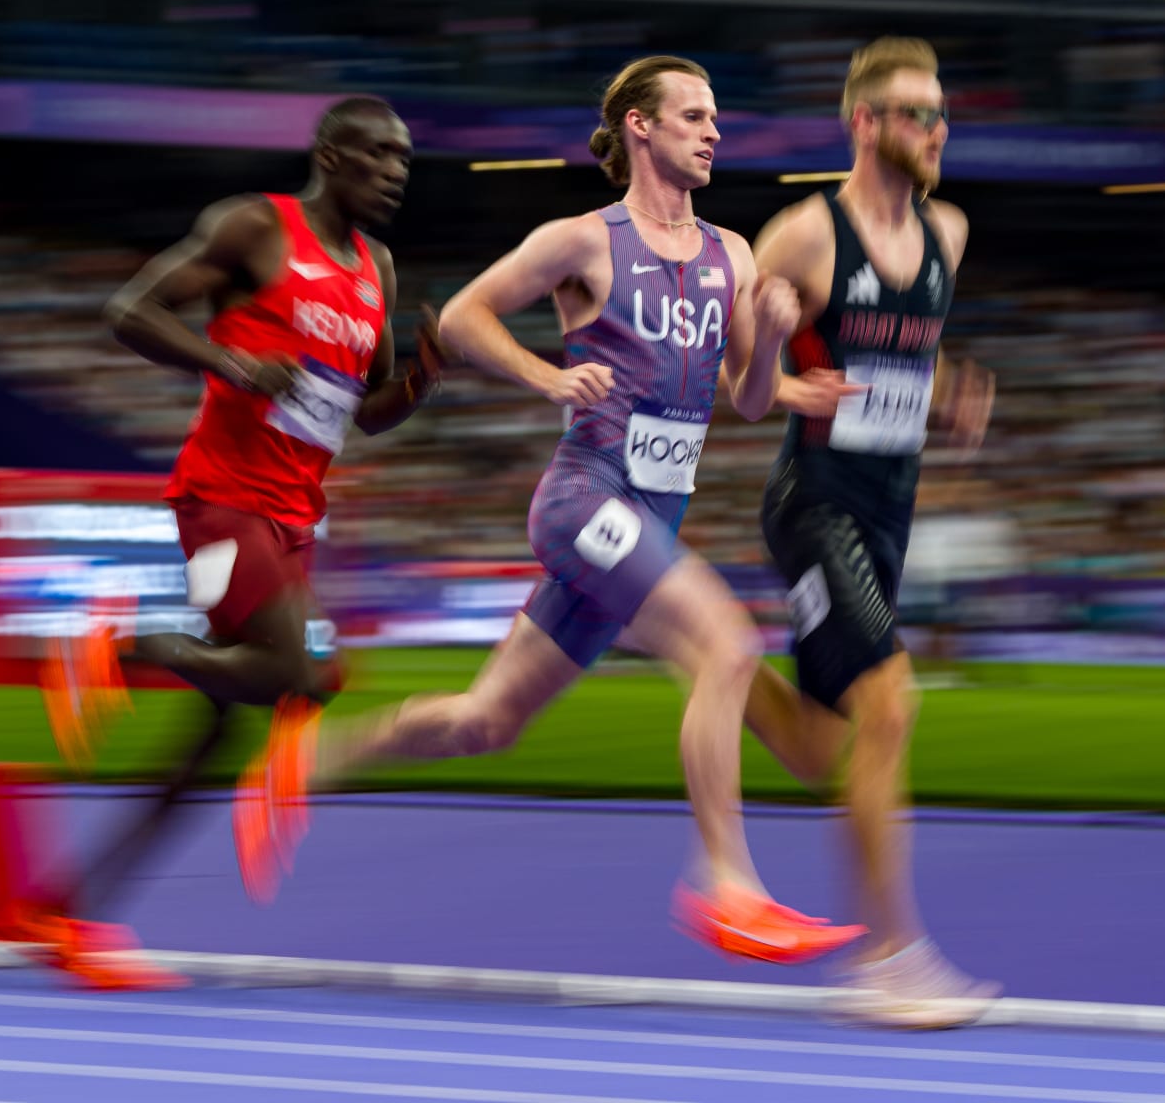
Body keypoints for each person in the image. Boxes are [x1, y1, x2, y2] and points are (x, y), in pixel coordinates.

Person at [251, 57, 867, 965]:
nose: (714, 132)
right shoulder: (583, 241)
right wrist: (547, 375)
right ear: (640, 129)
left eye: (716, 118)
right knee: (728, 647)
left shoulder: (732, 254)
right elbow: (463, 316)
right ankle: (727, 887)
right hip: (585, 501)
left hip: (647, 521)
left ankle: (305, 763)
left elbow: (744, 397)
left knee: (484, 723)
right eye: (694, 116)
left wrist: (773, 333)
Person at [28, 96, 443, 981]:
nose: (397, 171)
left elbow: (361, 414)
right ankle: (115, 640)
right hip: (221, 500)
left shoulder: (379, 269)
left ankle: (67, 913)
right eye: (378, 154)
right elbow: (130, 310)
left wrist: (419, 380)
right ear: (331, 154)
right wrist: (230, 362)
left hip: (293, 517)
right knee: (297, 673)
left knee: (218, 734)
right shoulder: (255, 228)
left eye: (405, 158)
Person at [726, 36, 999, 1026]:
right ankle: (891, 956)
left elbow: (898, 370)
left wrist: (944, 406)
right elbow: (742, 388)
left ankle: (707, 657)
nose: (938, 130)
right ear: (866, 124)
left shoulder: (950, 236)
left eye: (941, 113)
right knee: (891, 705)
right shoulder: (802, 235)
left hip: (892, 511)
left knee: (812, 747)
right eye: (919, 114)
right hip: (815, 503)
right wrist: (779, 356)